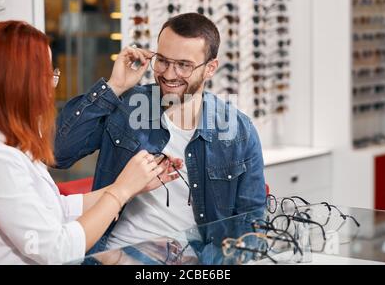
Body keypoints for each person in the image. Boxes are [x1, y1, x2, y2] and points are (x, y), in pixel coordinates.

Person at [0, 21, 180, 264]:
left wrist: (133, 185)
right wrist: (121, 190)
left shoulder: (4, 145)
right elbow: (57, 250)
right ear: (17, 83)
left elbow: (55, 208)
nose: (52, 86)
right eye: (48, 74)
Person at [54, 13, 266, 254]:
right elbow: (59, 153)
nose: (168, 74)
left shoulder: (239, 131)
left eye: (184, 65)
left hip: (194, 261)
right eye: (163, 60)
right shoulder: (128, 105)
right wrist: (115, 86)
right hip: (114, 255)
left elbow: (251, 224)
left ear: (210, 69)